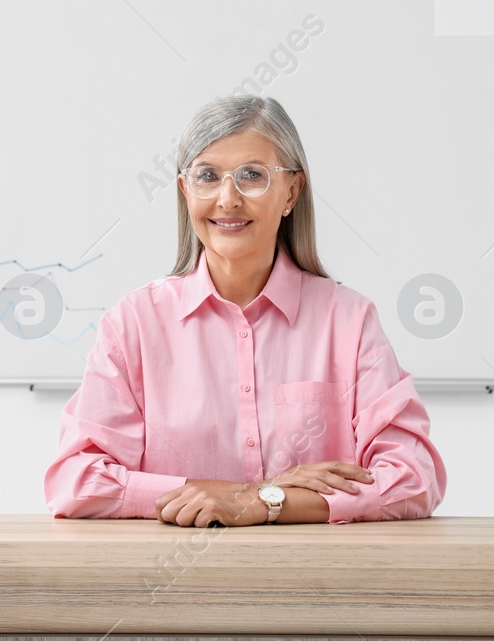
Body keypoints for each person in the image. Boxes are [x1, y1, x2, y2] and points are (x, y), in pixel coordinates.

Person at [44, 94, 446, 526]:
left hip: (316, 584)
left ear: (291, 191)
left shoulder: (349, 321)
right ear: (185, 191)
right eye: (208, 176)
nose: (228, 199)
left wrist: (264, 503)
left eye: (252, 175)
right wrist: (233, 494)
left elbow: (413, 477)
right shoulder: (135, 323)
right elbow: (76, 480)